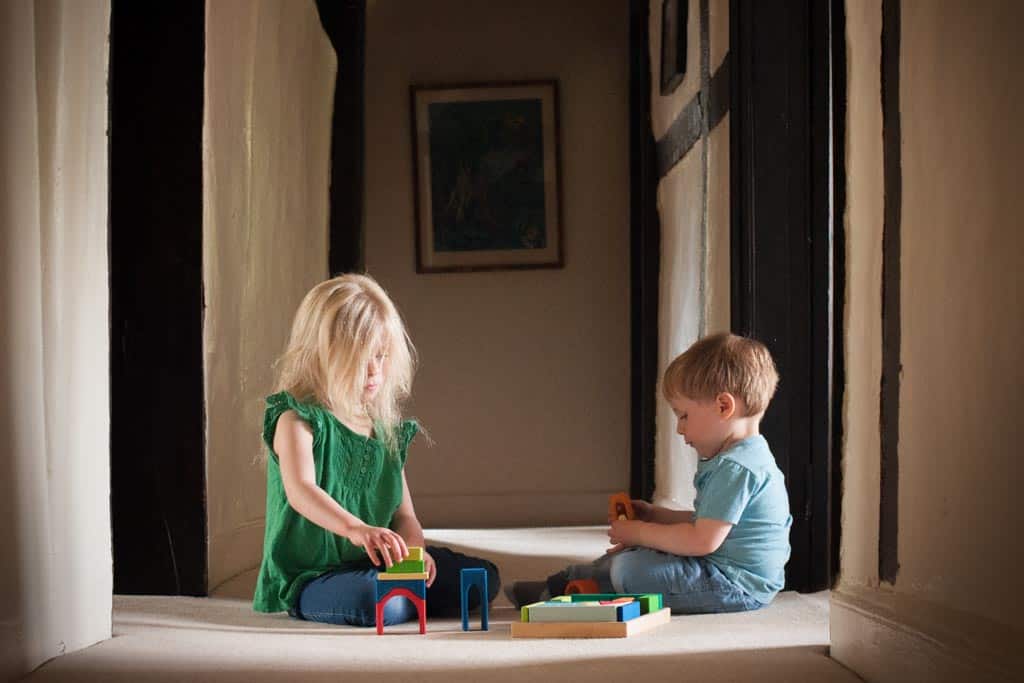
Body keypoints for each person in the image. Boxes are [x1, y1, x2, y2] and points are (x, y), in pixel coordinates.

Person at [253, 273, 499, 626]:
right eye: (360, 358)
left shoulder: (384, 432)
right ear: (322, 355)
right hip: (315, 575)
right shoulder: (297, 420)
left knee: (482, 578)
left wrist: (415, 553)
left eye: (381, 356)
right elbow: (300, 492)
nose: (374, 371)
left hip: (378, 562)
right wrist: (358, 530)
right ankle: (402, 598)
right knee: (379, 601)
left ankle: (406, 593)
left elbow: (404, 516)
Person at [508, 332, 791, 614]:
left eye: (684, 416)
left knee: (631, 569)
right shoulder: (736, 458)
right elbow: (706, 523)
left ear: (723, 406)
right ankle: (566, 584)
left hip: (735, 585)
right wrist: (655, 516)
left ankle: (591, 590)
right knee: (634, 555)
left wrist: (642, 532)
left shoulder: (737, 467)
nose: (680, 429)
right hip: (715, 566)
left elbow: (701, 540)